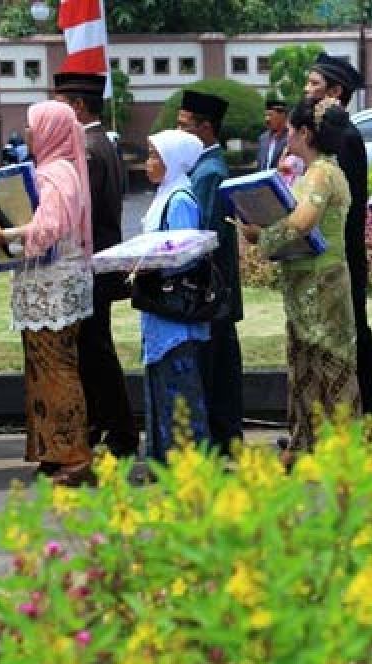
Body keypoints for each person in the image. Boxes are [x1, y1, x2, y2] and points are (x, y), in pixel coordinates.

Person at [0, 101, 95, 486]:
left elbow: (48, 230)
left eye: (33, 126)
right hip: (53, 283)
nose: (27, 133)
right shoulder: (63, 171)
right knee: (44, 368)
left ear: (49, 131)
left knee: (56, 370)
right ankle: (51, 451)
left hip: (52, 285)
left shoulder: (54, 174)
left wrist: (2, 235)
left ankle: (74, 456)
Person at [242, 98, 360, 460]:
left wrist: (262, 237)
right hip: (304, 279)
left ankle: (341, 449)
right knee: (304, 363)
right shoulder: (311, 172)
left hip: (322, 281)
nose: (287, 135)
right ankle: (306, 444)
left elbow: (302, 222)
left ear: (306, 133)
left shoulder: (324, 172)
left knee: (330, 362)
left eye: (292, 130)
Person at [305, 54, 372, 436]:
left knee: (355, 335)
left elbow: (341, 204)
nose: (306, 90)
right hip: (328, 253)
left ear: (336, 92)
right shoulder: (327, 134)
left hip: (342, 254)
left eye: (313, 84)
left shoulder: (345, 138)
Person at [54, 71, 138, 459]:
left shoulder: (88, 148)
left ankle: (119, 431)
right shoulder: (99, 142)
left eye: (61, 102)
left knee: (96, 348)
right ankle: (104, 424)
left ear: (78, 106)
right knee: (92, 347)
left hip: (93, 258)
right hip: (98, 257)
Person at [138, 130, 212, 461]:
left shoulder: (180, 199)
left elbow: (185, 255)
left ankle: (186, 462)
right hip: (160, 309)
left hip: (174, 311)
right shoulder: (165, 195)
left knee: (178, 385)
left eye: (154, 156)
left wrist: (144, 264)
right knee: (163, 382)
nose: (148, 163)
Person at [176, 90, 243, 455]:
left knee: (217, 364)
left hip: (211, 287)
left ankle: (223, 438)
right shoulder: (203, 167)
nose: (178, 130)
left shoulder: (210, 172)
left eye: (184, 125)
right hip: (215, 288)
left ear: (205, 128)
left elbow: (205, 236)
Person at [257, 98, 289, 171]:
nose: (267, 119)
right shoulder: (263, 138)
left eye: (270, 115)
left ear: (282, 116)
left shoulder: (291, 138)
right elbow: (260, 165)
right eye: (265, 115)